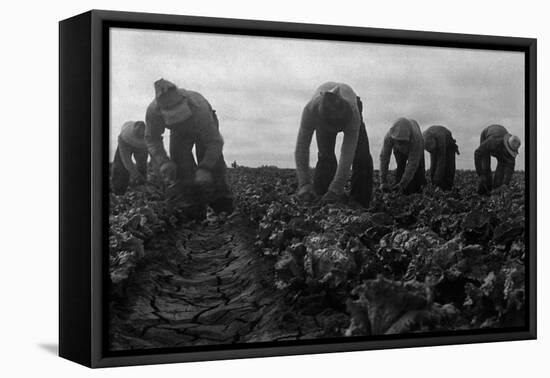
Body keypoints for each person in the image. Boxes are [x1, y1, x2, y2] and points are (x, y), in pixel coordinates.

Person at [145, 78, 234, 217]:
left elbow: (214, 142)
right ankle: (193, 209)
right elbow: (152, 138)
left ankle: (222, 206)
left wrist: (205, 167)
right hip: (178, 133)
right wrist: (163, 161)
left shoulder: (199, 107)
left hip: (202, 127)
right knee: (180, 166)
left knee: (213, 164)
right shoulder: (153, 112)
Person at [294, 82, 373, 207]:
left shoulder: (353, 115)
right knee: (325, 156)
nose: (334, 132)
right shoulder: (310, 110)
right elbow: (302, 146)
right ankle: (320, 196)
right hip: (323, 112)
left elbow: (347, 154)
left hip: (351, 105)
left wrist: (336, 188)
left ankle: (359, 201)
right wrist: (304, 183)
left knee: (361, 156)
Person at [379, 118, 426, 194]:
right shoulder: (389, 136)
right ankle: (400, 191)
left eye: (403, 142)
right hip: (398, 150)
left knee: (418, 172)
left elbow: (413, 163)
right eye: (398, 141)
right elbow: (384, 158)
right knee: (401, 167)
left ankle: (417, 192)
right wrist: (383, 181)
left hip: (416, 147)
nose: (401, 145)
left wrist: (403, 184)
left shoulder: (417, 139)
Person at [474, 124, 521, 195]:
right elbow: (477, 153)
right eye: (508, 151)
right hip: (487, 134)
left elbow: (510, 169)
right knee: (485, 166)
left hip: (500, 135)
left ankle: (495, 191)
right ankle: (483, 192)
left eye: (510, 152)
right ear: (505, 146)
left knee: (501, 169)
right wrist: (480, 173)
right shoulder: (492, 142)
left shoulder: (511, 152)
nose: (509, 154)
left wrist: (505, 184)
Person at [111, 121, 149, 195]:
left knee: (142, 166)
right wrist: (136, 175)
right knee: (120, 166)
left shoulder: (148, 136)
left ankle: (141, 190)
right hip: (125, 143)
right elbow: (126, 160)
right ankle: (119, 192)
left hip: (142, 146)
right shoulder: (124, 137)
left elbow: (153, 153)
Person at [423, 125, 459, 191]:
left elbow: (441, 162)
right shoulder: (422, 140)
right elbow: (433, 164)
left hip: (448, 142)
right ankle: (435, 184)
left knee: (449, 165)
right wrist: (433, 182)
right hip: (433, 142)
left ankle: (447, 187)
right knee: (433, 163)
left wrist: (437, 182)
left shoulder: (441, 139)